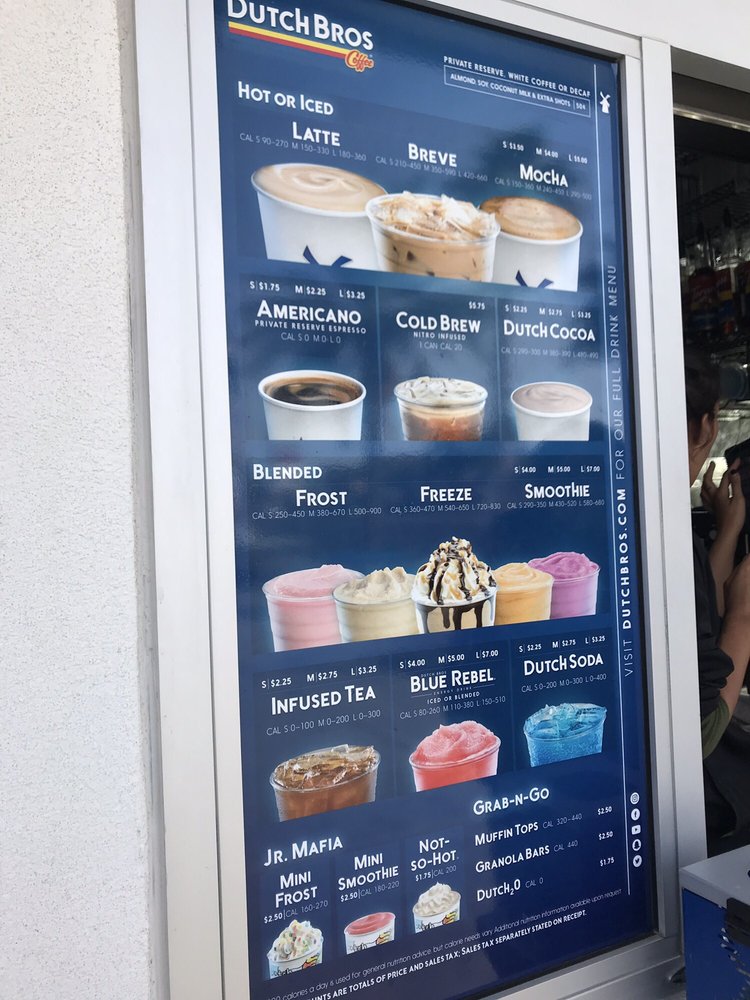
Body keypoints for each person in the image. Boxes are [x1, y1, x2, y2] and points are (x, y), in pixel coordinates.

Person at [686, 349, 750, 853]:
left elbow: (697, 617)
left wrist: (727, 530)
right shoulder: (661, 534)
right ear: (707, 427)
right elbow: (702, 731)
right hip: (704, 815)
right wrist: (744, 614)